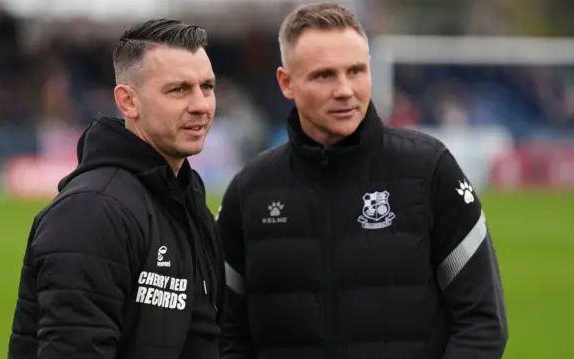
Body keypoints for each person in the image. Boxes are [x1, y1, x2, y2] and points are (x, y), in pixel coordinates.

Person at [217, 2, 508, 359]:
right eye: (324, 75)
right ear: (286, 83)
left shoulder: (430, 172)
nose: (345, 90)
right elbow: (225, 333)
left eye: (356, 71)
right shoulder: (248, 193)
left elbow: (481, 322)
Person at [7, 19, 225, 359]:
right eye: (179, 89)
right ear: (128, 102)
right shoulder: (91, 210)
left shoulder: (187, 196)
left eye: (207, 87)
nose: (201, 104)